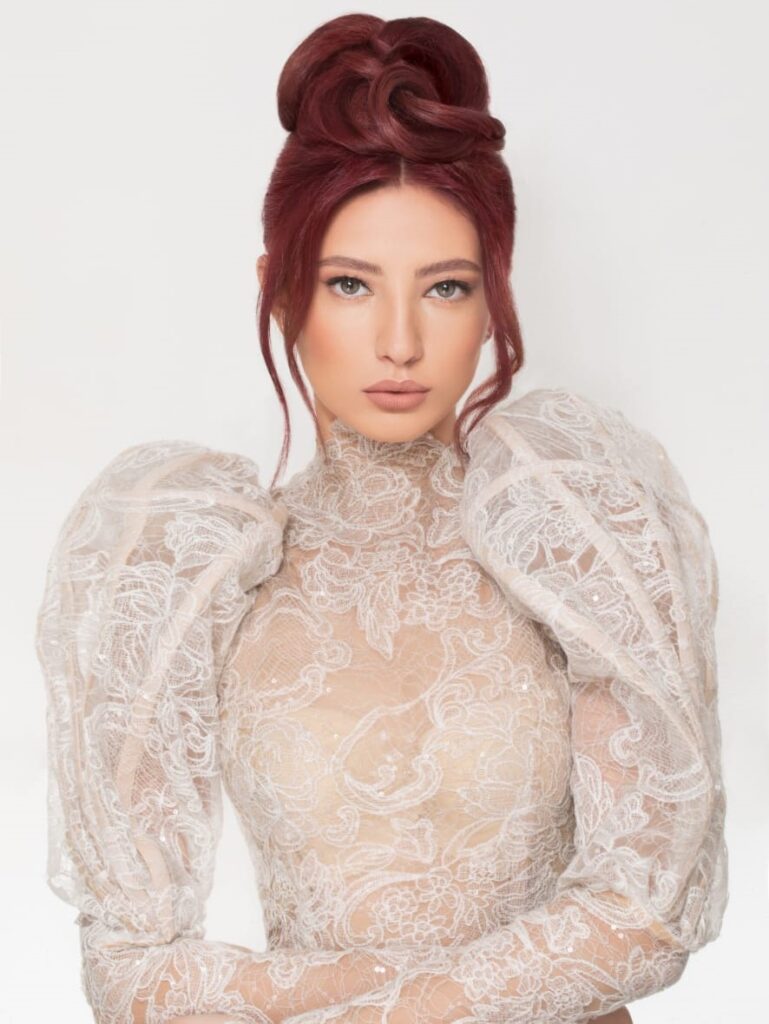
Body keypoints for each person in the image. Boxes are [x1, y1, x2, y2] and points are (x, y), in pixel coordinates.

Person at [35, 13, 728, 1024]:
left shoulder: (572, 531)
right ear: (279, 294)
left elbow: (651, 905)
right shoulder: (187, 563)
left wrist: (385, 1011)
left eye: (444, 287)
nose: (399, 341)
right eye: (350, 285)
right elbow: (132, 969)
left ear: (491, 301)